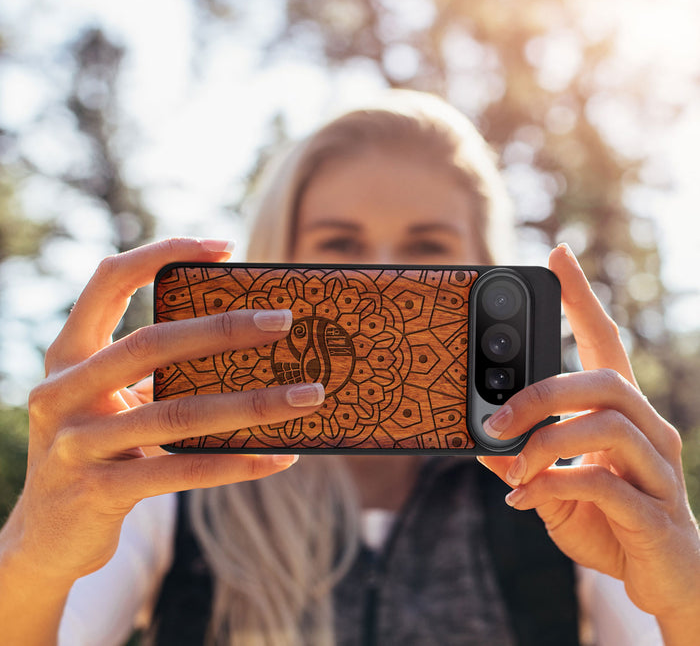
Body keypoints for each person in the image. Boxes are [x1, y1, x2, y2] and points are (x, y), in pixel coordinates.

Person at [0, 91, 698, 646]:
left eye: (427, 248)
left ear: (487, 269)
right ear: (279, 261)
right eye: (340, 245)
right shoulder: (171, 480)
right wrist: (34, 553)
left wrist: (685, 594)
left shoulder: (567, 488)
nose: (385, 275)